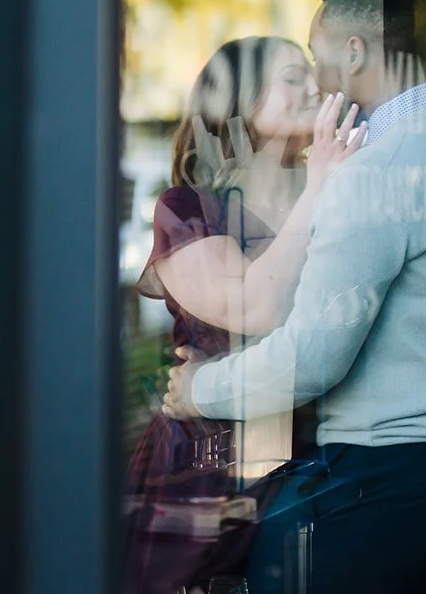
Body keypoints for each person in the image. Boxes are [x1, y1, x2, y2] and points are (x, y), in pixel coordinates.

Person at [162, 0, 426, 594]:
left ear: (356, 49)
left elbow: (311, 357)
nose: (315, 73)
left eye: (316, 52)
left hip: (378, 478)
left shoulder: (377, 168)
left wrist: (197, 388)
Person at [125, 35, 365, 594]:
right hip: (209, 472)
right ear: (240, 101)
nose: (313, 85)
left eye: (312, 73)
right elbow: (253, 306)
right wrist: (321, 184)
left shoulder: (344, 186)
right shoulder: (187, 209)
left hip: (314, 459)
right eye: (291, 77)